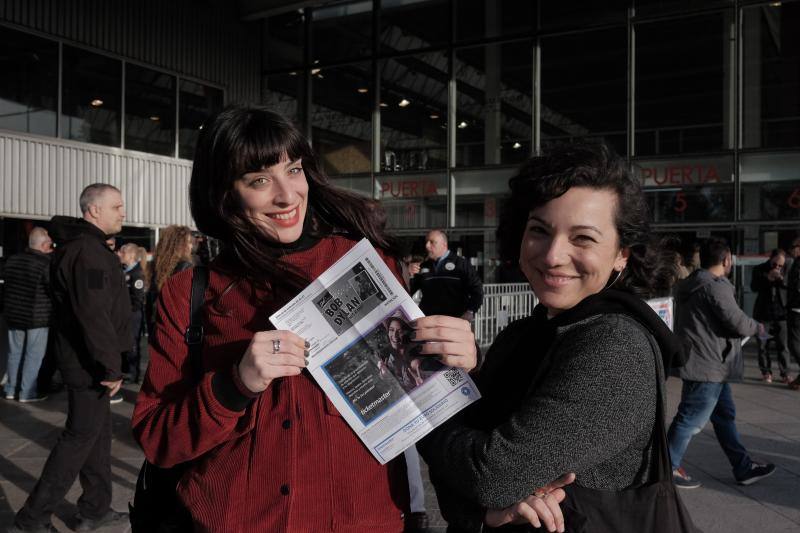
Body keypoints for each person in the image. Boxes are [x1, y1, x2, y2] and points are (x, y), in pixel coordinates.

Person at [131, 105, 477, 532]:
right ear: (224, 193)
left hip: (361, 520)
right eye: (259, 180)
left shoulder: (365, 267)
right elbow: (157, 439)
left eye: (293, 170)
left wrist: (454, 358)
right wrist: (232, 386)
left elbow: (423, 411)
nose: (287, 195)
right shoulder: (190, 294)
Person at [418, 143, 687, 532]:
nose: (553, 255)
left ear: (622, 255)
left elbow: (491, 475)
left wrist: (423, 418)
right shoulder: (524, 333)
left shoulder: (616, 346)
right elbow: (481, 487)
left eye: (583, 239)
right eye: (540, 231)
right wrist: (484, 512)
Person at [12, 184, 131, 532]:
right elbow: (91, 313)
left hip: (89, 361)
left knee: (96, 436)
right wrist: (110, 365)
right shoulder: (87, 253)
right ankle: (31, 518)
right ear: (93, 210)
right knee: (79, 438)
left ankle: (95, 510)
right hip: (87, 363)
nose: (123, 212)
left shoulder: (88, 249)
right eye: (116, 206)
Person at [667, 237, 776, 489]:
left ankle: (743, 467)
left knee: (724, 416)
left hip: (707, 363)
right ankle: (667, 469)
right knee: (691, 420)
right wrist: (757, 327)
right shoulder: (715, 286)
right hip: (709, 365)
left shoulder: (691, 284)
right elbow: (737, 321)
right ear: (726, 260)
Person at [3, 227, 54, 402]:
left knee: (14, 354)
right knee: (33, 356)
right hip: (38, 318)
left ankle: (11, 389)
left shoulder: (12, 260)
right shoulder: (45, 265)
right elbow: (53, 290)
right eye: (49, 244)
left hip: (14, 314)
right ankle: (27, 392)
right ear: (43, 244)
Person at [410, 230, 483, 322]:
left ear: (444, 244)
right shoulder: (423, 266)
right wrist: (409, 275)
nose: (427, 246)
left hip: (455, 322)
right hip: (430, 321)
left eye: (432, 242)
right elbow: (409, 291)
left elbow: (477, 290)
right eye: (426, 242)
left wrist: (470, 311)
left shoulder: (461, 264)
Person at [750, 249, 791, 383]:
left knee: (783, 346)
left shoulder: (787, 271)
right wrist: (768, 278)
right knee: (762, 345)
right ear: (771, 259)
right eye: (775, 264)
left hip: (781, 314)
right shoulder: (759, 269)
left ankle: (785, 373)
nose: (777, 267)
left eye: (780, 266)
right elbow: (754, 287)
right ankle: (766, 372)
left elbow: (791, 287)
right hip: (763, 315)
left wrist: (782, 280)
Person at [117, 243, 147, 384]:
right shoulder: (125, 271)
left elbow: (137, 299)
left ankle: (133, 374)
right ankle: (126, 371)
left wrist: (126, 311)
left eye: (122, 253)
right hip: (123, 314)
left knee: (132, 344)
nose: (120, 255)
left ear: (131, 255)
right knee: (124, 342)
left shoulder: (136, 273)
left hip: (132, 315)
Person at [785, 239, 800, 390]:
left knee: (793, 342)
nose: (791, 250)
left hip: (796, 308)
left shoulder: (798, 263)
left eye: (793, 247)